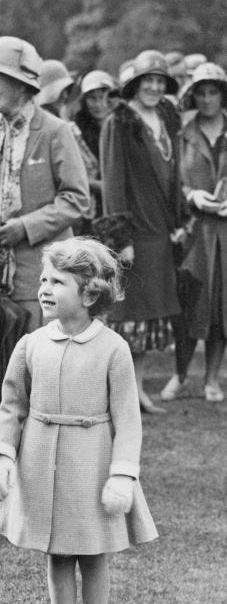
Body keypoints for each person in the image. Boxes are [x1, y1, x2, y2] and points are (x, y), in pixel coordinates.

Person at [0, 238, 157, 604]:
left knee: (93, 553)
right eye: (43, 279)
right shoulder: (30, 344)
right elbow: (12, 407)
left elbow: (127, 420)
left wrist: (122, 476)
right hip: (40, 459)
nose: (44, 288)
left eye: (57, 282)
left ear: (89, 293)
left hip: (92, 461)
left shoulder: (113, 349)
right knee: (57, 553)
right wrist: (3, 457)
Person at [0, 36, 90, 427]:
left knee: (41, 384)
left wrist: (25, 227)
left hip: (41, 279)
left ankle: (39, 469)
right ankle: (3, 466)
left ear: (22, 85)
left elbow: (76, 199)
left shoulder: (55, 130)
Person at [100, 50, 185, 414]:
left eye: (159, 81)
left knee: (153, 314)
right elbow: (113, 181)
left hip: (161, 229)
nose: (153, 86)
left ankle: (137, 390)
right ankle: (123, 393)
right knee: (129, 314)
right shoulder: (119, 121)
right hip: (135, 230)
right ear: (134, 84)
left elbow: (173, 174)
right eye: (147, 80)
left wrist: (180, 220)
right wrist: (121, 239)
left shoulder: (165, 117)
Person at [161, 62, 227, 402]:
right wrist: (191, 194)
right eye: (200, 93)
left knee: (221, 307)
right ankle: (180, 374)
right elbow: (173, 181)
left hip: (226, 234)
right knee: (187, 303)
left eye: (212, 91)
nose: (206, 99)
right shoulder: (182, 133)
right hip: (194, 232)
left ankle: (212, 378)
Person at [70, 69, 117, 226]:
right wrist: (99, 186)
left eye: (102, 97)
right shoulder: (76, 132)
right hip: (90, 209)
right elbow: (74, 174)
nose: (98, 104)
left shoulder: (124, 127)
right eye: (92, 98)